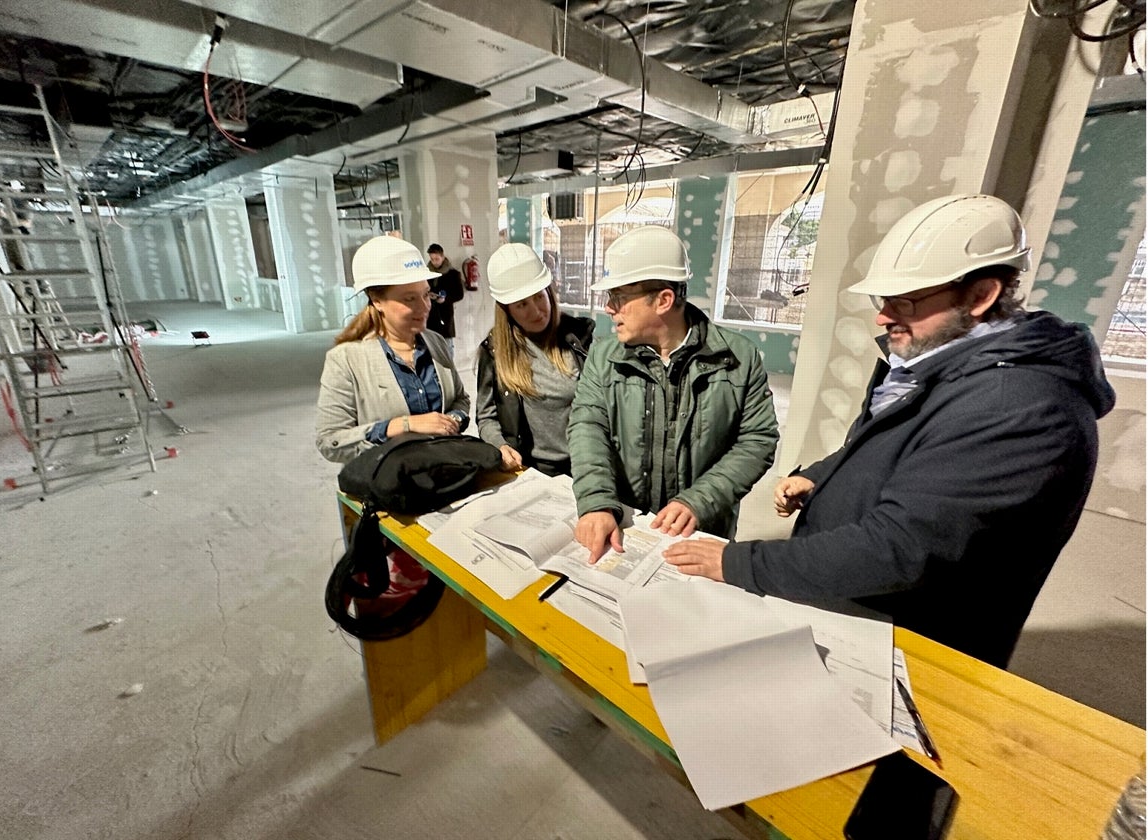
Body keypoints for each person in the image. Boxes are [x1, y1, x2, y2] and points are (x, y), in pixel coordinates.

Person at [662, 194, 1116, 668]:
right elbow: (888, 443)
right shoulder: (934, 366)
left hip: (911, 646)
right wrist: (823, 474)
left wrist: (740, 563)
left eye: (905, 301)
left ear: (981, 295)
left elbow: (897, 549)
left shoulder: (1018, 408)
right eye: (883, 299)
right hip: (856, 609)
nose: (881, 316)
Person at [568, 226, 779, 563]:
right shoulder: (603, 356)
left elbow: (757, 440)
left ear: (664, 300)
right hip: (627, 525)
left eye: (619, 297)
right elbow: (587, 427)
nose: (610, 308)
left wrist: (700, 499)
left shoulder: (739, 358)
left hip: (700, 534)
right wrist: (596, 500)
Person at [315, 235, 470, 464]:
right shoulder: (346, 359)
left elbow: (460, 399)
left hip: (445, 470)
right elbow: (330, 442)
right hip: (390, 484)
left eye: (426, 294)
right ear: (377, 300)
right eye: (409, 299)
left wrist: (452, 420)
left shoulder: (436, 343)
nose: (424, 306)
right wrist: (402, 426)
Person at [476, 243, 594, 477]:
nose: (537, 311)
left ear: (549, 292)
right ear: (507, 310)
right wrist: (500, 445)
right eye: (522, 305)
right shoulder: (495, 351)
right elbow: (486, 416)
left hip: (585, 466)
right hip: (530, 469)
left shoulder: (580, 339)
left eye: (539, 297)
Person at [425, 243, 465, 358]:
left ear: (442, 257)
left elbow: (459, 294)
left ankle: (449, 373)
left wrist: (445, 299)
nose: (434, 262)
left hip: (445, 316)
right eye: (432, 259)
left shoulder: (452, 274)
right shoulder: (427, 274)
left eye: (437, 259)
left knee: (447, 349)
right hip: (430, 316)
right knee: (431, 349)